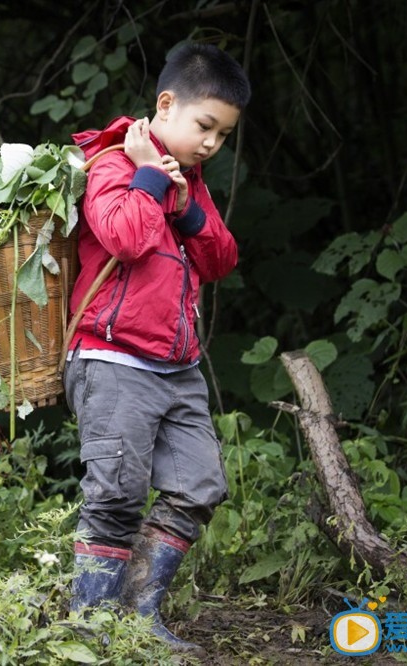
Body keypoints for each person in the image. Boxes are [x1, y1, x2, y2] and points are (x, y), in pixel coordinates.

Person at [63, 42, 250, 652]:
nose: (212, 143)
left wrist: (186, 202)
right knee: (115, 495)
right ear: (166, 105)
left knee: (200, 485)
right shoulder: (113, 162)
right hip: (112, 357)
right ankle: (91, 632)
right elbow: (126, 236)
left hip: (177, 365)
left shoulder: (190, 181)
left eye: (222, 134)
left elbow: (221, 258)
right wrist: (147, 174)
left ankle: (138, 620)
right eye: (205, 126)